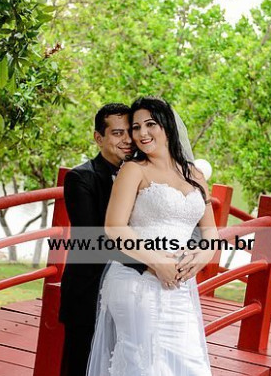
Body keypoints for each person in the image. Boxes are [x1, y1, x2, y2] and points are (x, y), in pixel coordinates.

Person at [87, 97, 218, 376]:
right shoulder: (134, 170)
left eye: (150, 124)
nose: (142, 133)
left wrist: (203, 256)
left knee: (191, 365)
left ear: (167, 126)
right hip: (137, 282)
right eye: (136, 127)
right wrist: (157, 262)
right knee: (144, 365)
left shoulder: (194, 175)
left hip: (179, 285)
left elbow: (210, 232)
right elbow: (114, 227)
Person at [59, 103, 148, 376]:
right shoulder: (80, 178)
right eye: (117, 133)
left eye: (130, 132)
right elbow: (94, 241)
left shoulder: (145, 174)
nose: (127, 140)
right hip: (90, 291)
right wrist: (152, 262)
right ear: (99, 138)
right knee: (80, 367)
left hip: (133, 293)